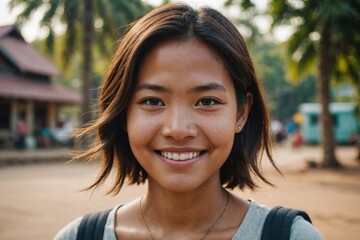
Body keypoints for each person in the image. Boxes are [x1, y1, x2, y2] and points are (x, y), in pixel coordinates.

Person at [55, 3, 323, 240]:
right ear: (123, 113)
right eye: (152, 101)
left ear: (241, 113)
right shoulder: (77, 236)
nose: (178, 130)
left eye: (206, 101)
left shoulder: (292, 236)